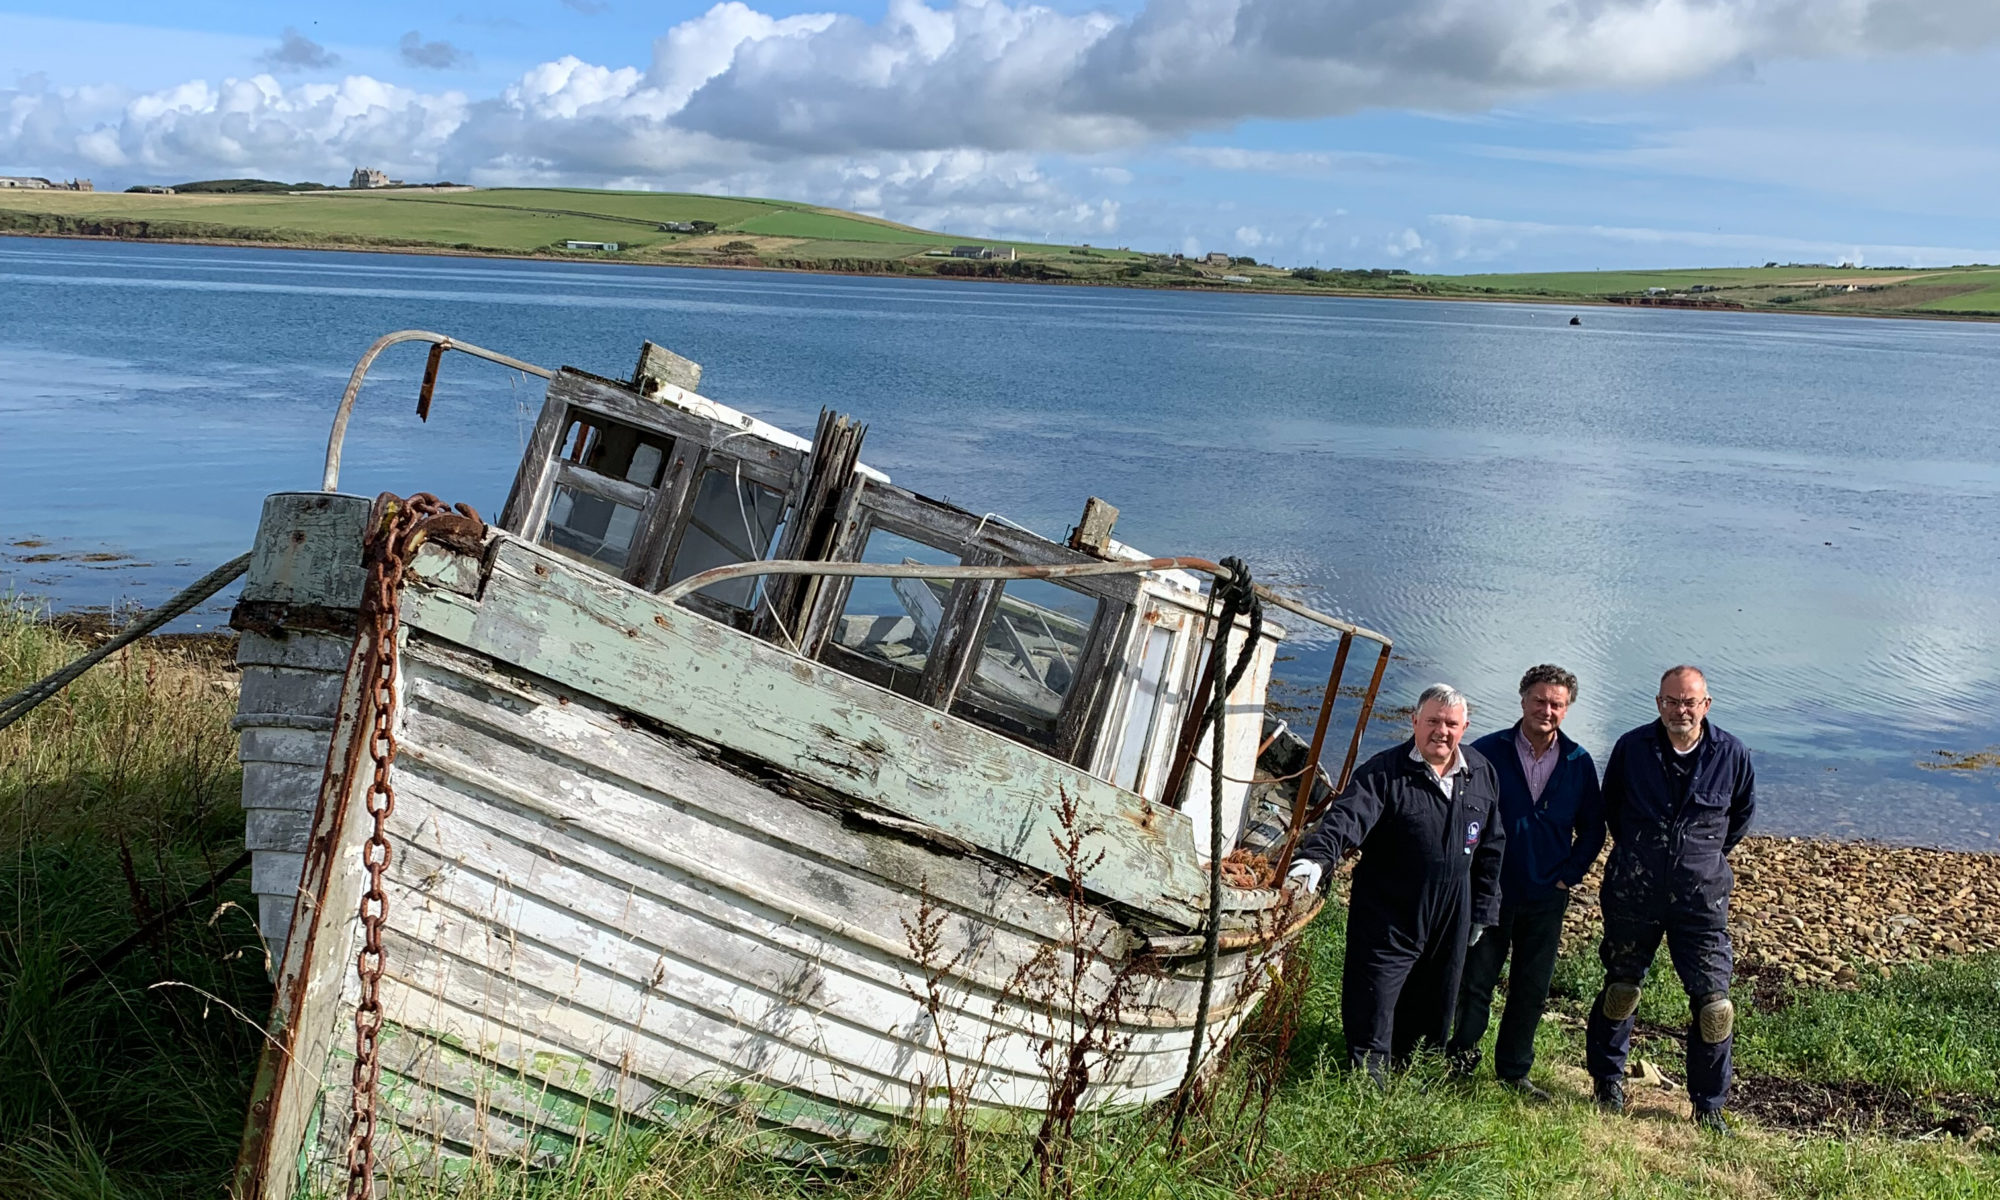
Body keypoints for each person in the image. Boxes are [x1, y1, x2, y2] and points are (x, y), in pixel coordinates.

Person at [1286, 684, 1505, 1080]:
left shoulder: (1480, 773)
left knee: (1437, 995)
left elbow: (1491, 846)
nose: (1442, 731)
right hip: (1390, 904)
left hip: (1452, 910)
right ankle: (1367, 1083)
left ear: (1465, 727)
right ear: (1415, 721)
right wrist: (1316, 860)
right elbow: (1346, 820)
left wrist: (1484, 910)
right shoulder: (1384, 772)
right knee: (1376, 996)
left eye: (1451, 724)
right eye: (1433, 721)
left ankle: (1414, 1076)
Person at [1587, 666, 1755, 1133]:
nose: (1680, 710)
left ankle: (1708, 1104)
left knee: (1714, 1005)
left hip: (1701, 900)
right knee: (1622, 988)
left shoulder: (1732, 753)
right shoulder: (1631, 747)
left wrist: (1696, 857)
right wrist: (1649, 854)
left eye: (1689, 702)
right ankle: (1606, 1081)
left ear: (1706, 704)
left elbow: (1739, 817)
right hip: (1633, 892)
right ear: (1658, 702)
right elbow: (1612, 809)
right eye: (1671, 701)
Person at [1446, 664, 1605, 1100]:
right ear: (1522, 700)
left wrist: (1568, 877)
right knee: (1473, 984)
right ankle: (1458, 1066)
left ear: (1567, 709)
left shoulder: (1578, 762)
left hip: (1545, 898)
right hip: (1490, 894)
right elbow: (1458, 813)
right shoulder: (1486, 752)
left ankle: (1514, 1073)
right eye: (1539, 700)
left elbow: (1594, 829)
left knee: (1531, 990)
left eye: (1556, 704)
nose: (1546, 710)